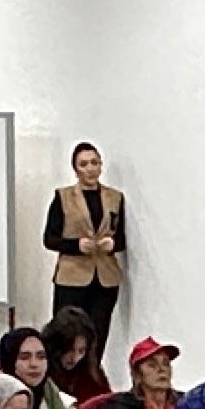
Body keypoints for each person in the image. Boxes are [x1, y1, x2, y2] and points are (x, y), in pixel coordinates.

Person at [41, 141, 128, 352]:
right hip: (72, 276)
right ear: (75, 169)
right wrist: (76, 245)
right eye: (84, 164)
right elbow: (49, 239)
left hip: (105, 277)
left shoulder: (115, 197)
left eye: (94, 163)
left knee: (98, 333)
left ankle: (93, 369)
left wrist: (112, 244)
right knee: (67, 333)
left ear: (101, 165)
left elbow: (121, 238)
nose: (90, 168)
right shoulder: (63, 197)